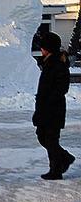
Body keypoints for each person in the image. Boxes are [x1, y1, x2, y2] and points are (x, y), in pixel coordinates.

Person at [33, 31, 75, 180]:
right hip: (46, 108)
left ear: (49, 48)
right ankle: (64, 158)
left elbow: (61, 88)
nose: (41, 50)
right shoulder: (49, 62)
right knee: (43, 137)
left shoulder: (57, 63)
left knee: (50, 139)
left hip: (53, 109)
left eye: (43, 47)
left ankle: (56, 170)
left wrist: (48, 103)